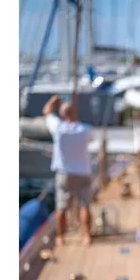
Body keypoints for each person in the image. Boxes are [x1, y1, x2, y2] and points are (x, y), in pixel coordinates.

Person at [42, 95, 93, 246]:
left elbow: (46, 112)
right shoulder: (85, 129)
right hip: (83, 172)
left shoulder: (58, 128)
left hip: (64, 173)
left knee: (61, 207)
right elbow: (92, 139)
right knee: (84, 205)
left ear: (62, 115)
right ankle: (86, 236)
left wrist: (53, 101)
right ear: (75, 114)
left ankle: (61, 237)